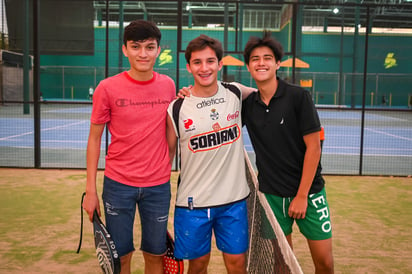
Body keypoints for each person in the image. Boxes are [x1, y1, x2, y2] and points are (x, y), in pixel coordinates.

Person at [82, 20, 176, 274]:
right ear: (125, 49)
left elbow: (171, 133)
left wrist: (163, 164)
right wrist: (90, 191)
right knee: (120, 258)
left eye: (149, 47)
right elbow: (94, 140)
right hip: (118, 186)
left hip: (157, 187)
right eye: (136, 47)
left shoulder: (168, 85)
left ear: (158, 50)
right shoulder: (107, 88)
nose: (143, 54)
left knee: (155, 255)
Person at [242, 31, 334, 274]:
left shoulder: (298, 97)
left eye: (267, 58)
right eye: (255, 59)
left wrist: (302, 195)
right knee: (281, 264)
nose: (261, 62)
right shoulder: (248, 106)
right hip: (271, 196)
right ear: (248, 66)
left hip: (309, 194)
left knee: (324, 263)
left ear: (277, 63)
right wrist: (189, 94)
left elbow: (314, 148)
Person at [166, 34, 254, 274]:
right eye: (197, 62)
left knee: (237, 265)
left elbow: (267, 93)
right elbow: (166, 159)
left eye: (210, 61)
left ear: (220, 64)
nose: (204, 68)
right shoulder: (176, 107)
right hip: (193, 205)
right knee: (197, 267)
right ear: (189, 66)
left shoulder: (236, 93)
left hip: (233, 202)